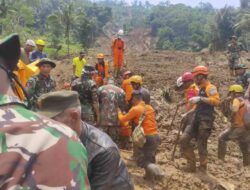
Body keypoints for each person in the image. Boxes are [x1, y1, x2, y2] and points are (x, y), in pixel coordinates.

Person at [0, 34, 90, 189]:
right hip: (36, 110)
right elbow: (30, 96)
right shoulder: (62, 138)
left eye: (49, 67)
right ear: (40, 67)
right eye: (44, 66)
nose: (47, 68)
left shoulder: (52, 81)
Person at [37, 90, 134, 190]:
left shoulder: (103, 150)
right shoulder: (53, 138)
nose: (45, 125)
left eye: (52, 121)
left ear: (74, 116)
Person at [179, 66, 220, 172]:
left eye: (195, 77)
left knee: (201, 144)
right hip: (196, 118)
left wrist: (200, 98)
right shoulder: (201, 88)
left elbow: (216, 101)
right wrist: (188, 113)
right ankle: (191, 164)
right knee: (183, 139)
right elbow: (198, 106)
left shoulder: (210, 87)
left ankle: (203, 167)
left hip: (205, 120)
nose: (194, 79)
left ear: (201, 76)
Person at [118, 90, 161, 178]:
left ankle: (158, 172)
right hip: (156, 136)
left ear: (134, 99)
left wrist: (118, 112)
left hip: (147, 137)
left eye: (132, 100)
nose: (131, 102)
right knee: (150, 157)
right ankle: (149, 177)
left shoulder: (135, 109)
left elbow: (123, 119)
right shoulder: (149, 107)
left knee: (142, 160)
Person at [218, 84, 250, 166]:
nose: (230, 94)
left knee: (222, 138)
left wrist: (230, 114)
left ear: (234, 92)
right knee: (244, 147)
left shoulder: (236, 100)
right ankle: (247, 165)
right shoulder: (246, 101)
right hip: (246, 127)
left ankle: (220, 160)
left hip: (238, 127)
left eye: (231, 93)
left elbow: (235, 109)